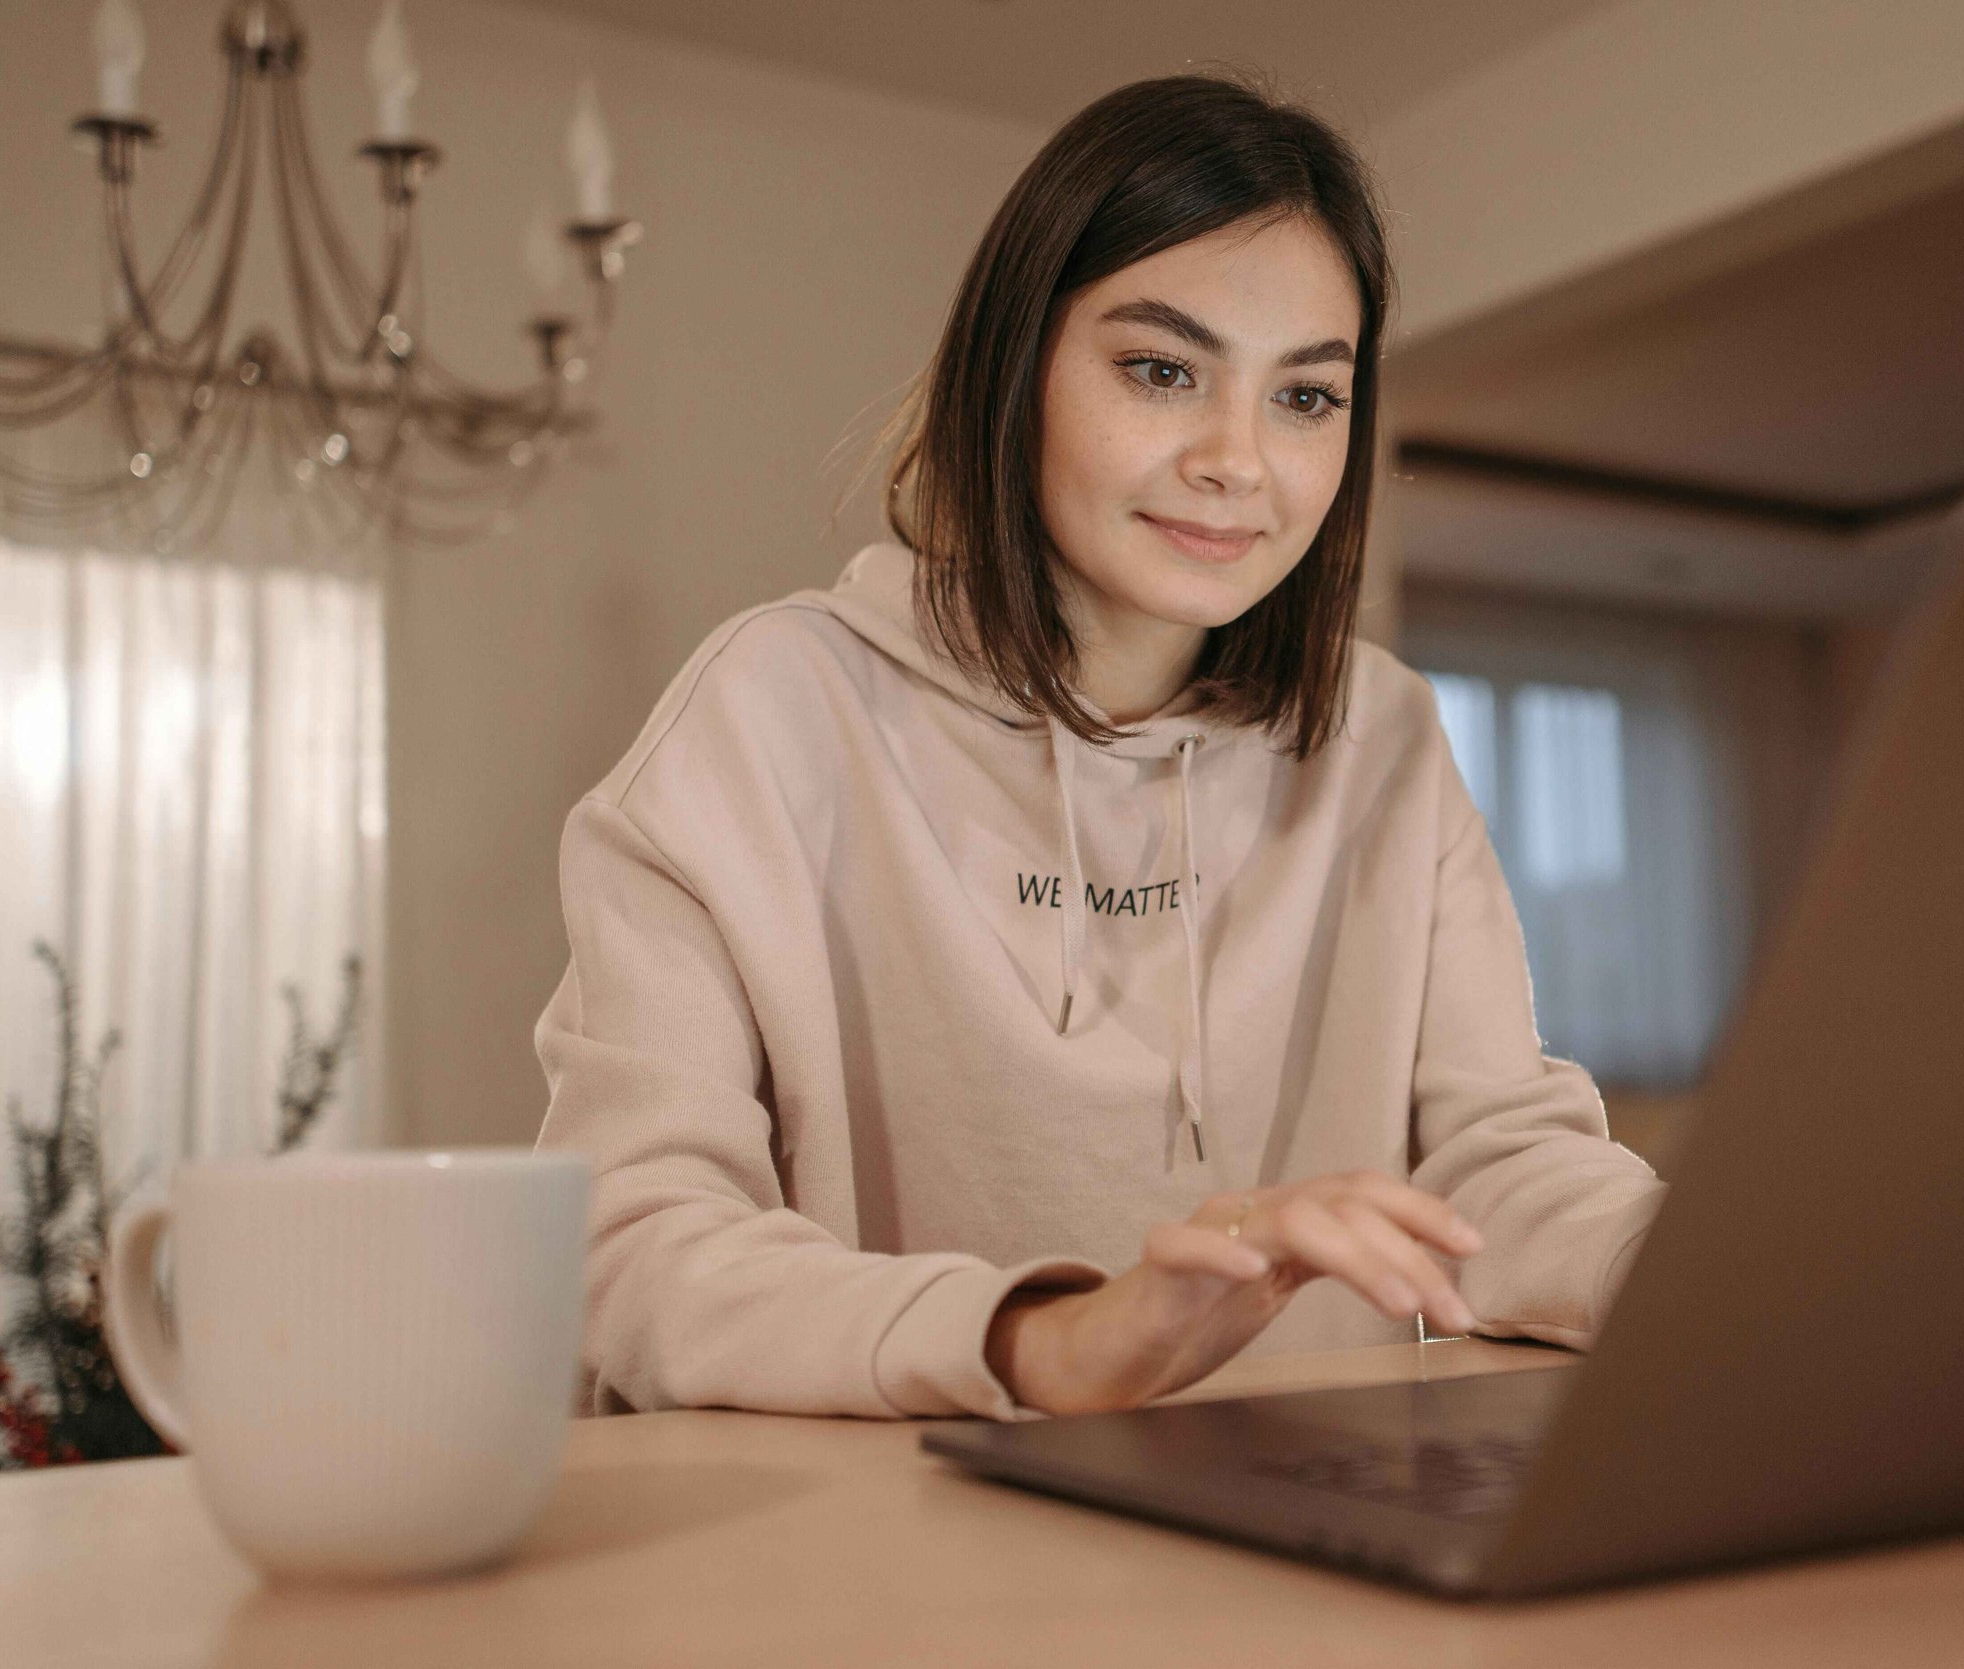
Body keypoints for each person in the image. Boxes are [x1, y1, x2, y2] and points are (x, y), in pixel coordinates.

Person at [532, 73, 1666, 1422]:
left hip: (1301, 1555)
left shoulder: (1385, 739)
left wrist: (1721, 1270)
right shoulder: (764, 715)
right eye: (1163, 370)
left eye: (1307, 397)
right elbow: (631, 1243)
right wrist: (1043, 1341)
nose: (1239, 459)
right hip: (875, 1566)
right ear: (1015, 373)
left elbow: (1500, 1161)